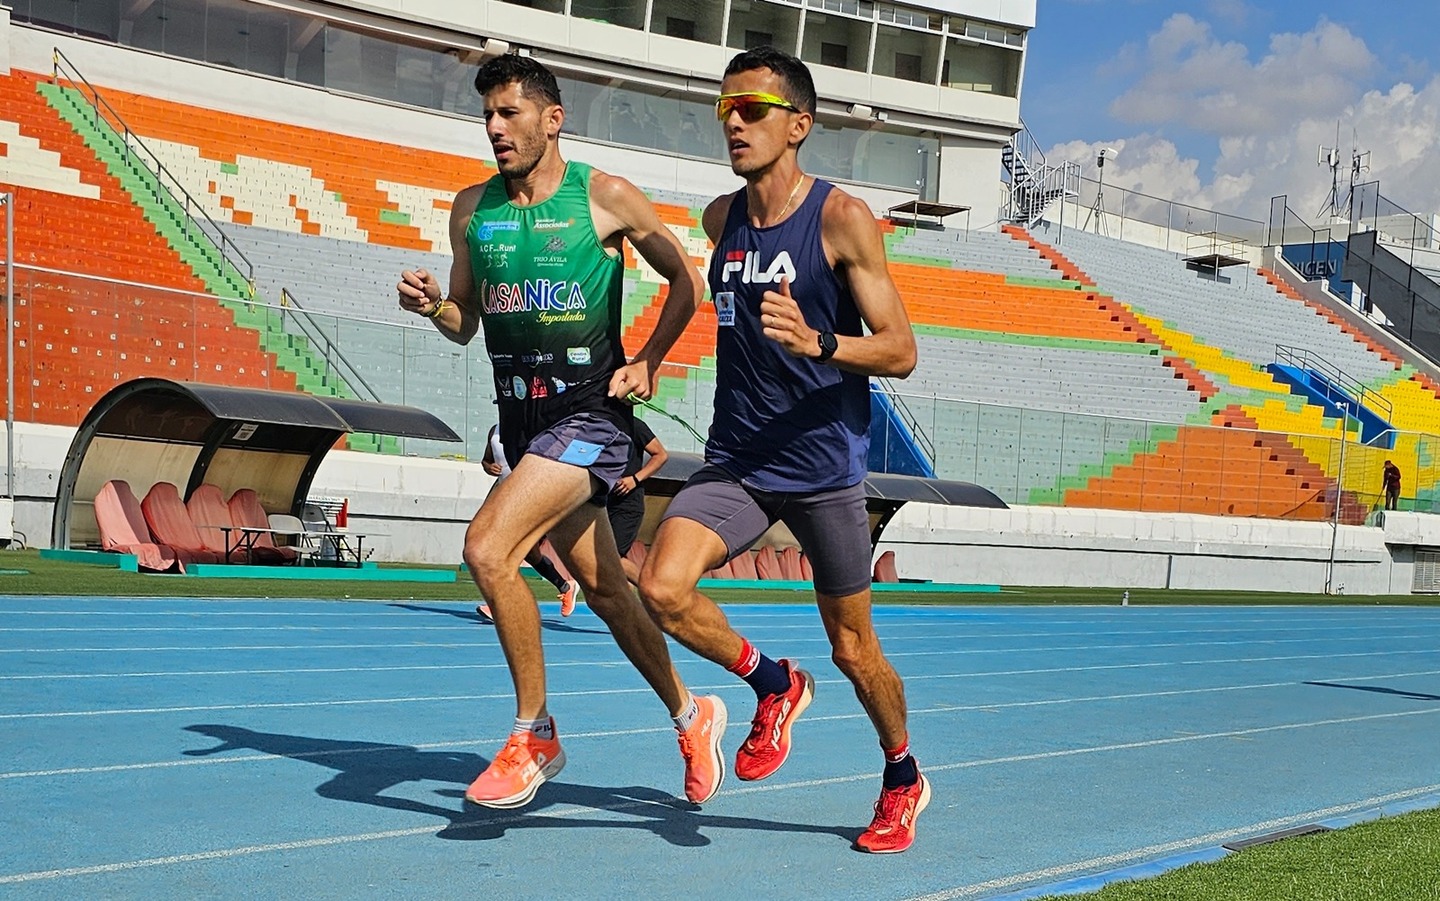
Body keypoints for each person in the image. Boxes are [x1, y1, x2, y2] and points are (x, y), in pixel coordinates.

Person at [610, 47, 926, 853]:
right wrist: (651, 355)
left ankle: (901, 776)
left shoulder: (840, 218)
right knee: (662, 586)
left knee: (854, 648)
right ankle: (772, 683)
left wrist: (823, 343)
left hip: (823, 471)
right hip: (740, 462)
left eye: (752, 108)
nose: (736, 122)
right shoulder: (723, 220)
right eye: (726, 110)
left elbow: (899, 348)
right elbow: (690, 291)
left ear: (799, 125)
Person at [396, 54, 725, 811]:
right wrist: (432, 310)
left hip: (591, 417)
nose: (494, 128)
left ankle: (534, 728)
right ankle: (692, 712)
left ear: (553, 118)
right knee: (610, 589)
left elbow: (687, 280)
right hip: (523, 424)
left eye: (509, 113)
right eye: (487, 115)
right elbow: (464, 319)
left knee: (487, 548)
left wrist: (647, 359)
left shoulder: (603, 197)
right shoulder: (470, 209)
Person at [475, 424, 580, 620]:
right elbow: (486, 460)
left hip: (532, 499)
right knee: (530, 554)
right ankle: (565, 586)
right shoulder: (494, 431)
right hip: (505, 497)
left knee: (506, 549)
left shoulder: (531, 427)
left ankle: (499, 604)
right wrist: (489, 467)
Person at [610, 416, 668, 585]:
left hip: (627, 504)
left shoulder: (634, 425)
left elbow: (661, 455)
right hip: (603, 503)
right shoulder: (597, 425)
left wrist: (634, 479)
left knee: (611, 557)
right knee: (602, 561)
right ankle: (630, 607)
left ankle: (653, 591)